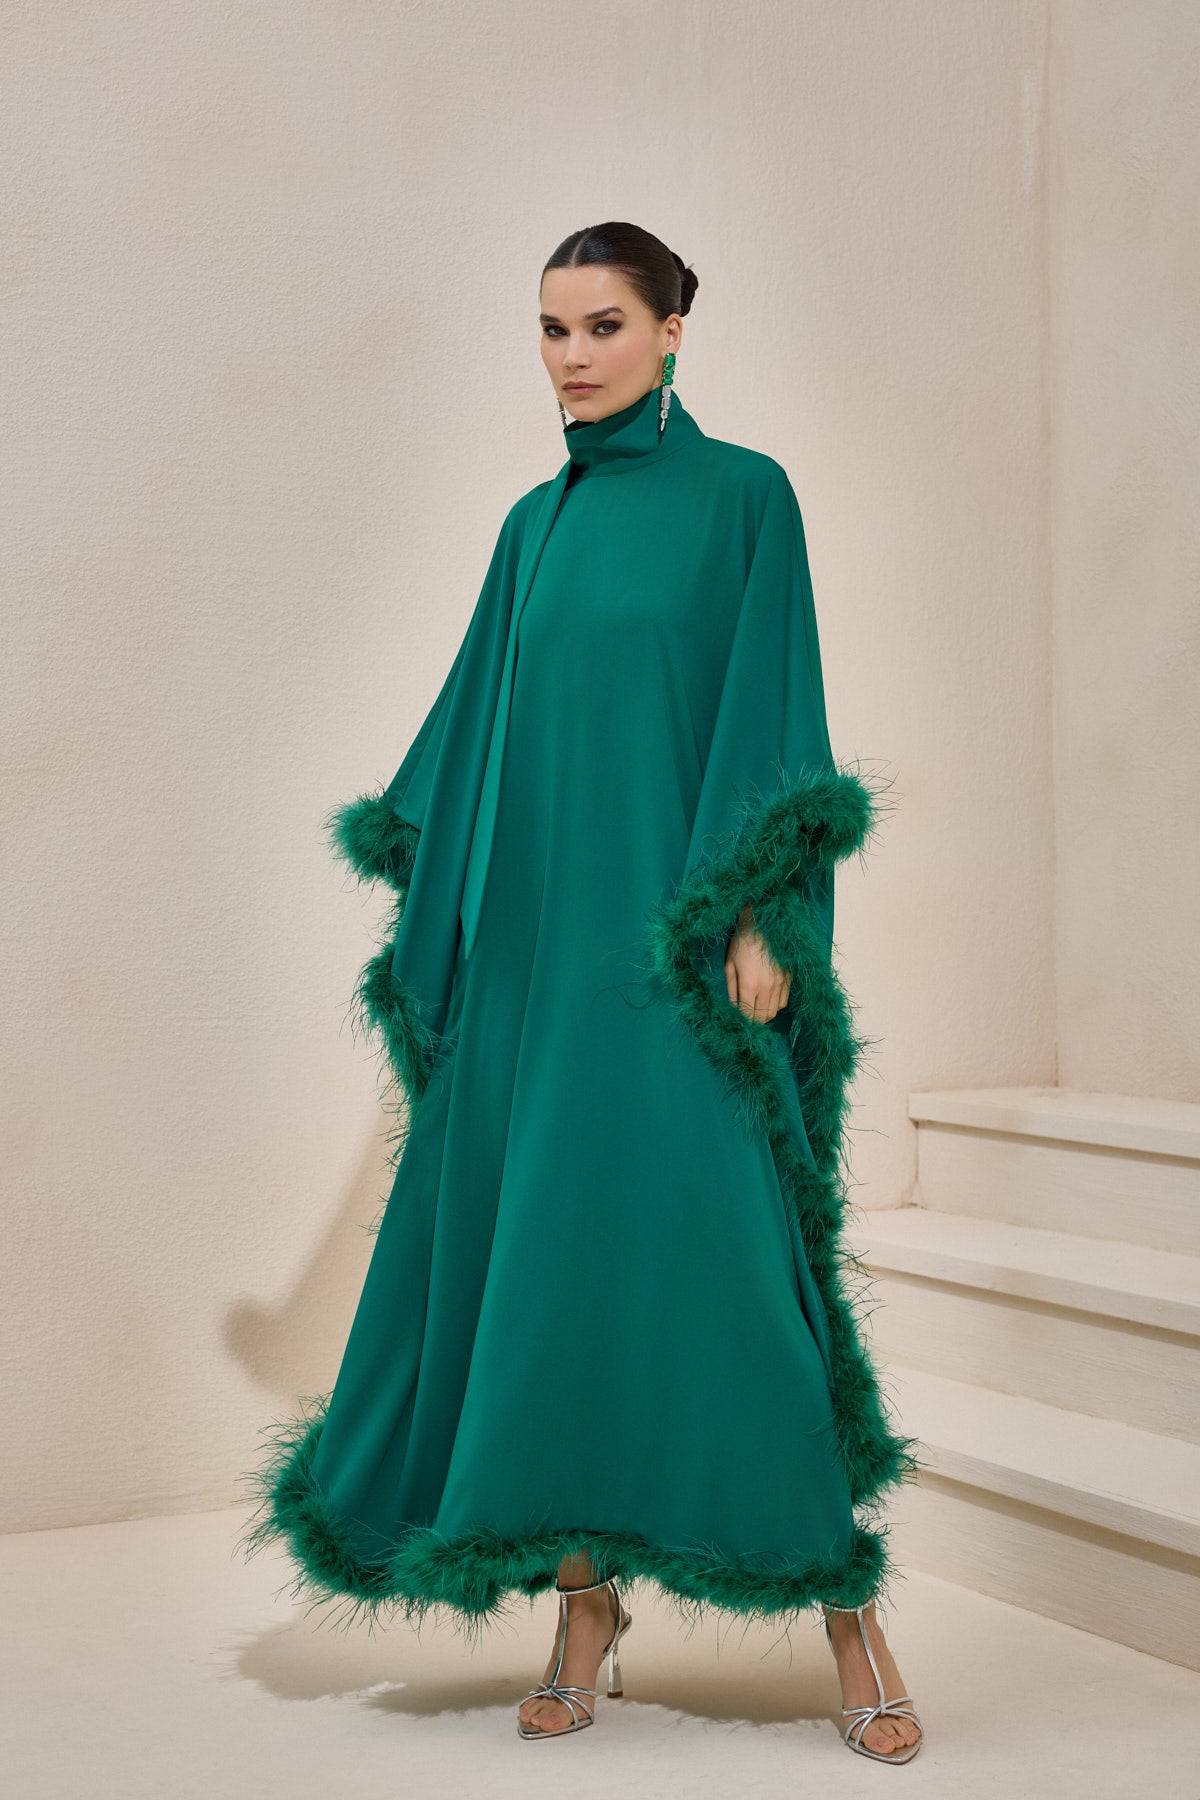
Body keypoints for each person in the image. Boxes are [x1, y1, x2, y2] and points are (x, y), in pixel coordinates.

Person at [239, 221, 925, 1764]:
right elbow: (482, 737)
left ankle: (849, 1613)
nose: (570, 357)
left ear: (674, 329)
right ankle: (582, 1607)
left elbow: (772, 708)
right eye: (550, 330)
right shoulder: (530, 528)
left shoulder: (745, 499)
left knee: (734, 1273)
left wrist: (756, 910)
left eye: (603, 325)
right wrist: (445, 922)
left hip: (672, 954)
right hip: (540, 964)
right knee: (550, 1273)